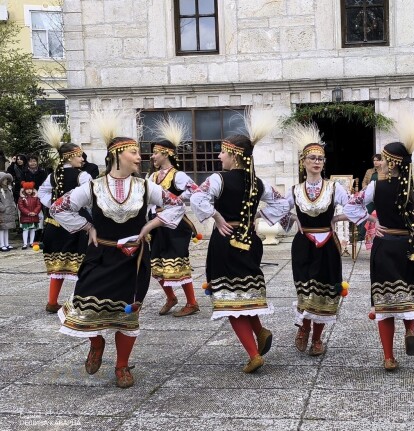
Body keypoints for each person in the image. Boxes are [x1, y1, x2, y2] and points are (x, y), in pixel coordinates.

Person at [51, 108, 185, 388]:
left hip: (133, 259)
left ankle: (122, 366)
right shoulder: (94, 186)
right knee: (86, 305)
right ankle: (96, 342)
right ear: (117, 155)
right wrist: (87, 227)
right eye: (134, 152)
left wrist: (149, 227)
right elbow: (59, 207)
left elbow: (176, 204)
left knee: (128, 313)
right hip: (100, 255)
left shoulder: (146, 187)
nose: (139, 157)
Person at [344, 114, 414, 371]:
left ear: (392, 163)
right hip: (410, 246)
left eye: (382, 158)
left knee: (385, 303)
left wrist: (370, 220)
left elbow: (350, 206)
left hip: (385, 244)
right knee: (410, 293)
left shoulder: (375, 187)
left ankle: (389, 357)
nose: (379, 162)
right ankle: (410, 331)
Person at [190, 108, 289, 374]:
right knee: (244, 293)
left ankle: (253, 355)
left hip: (226, 241)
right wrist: (257, 216)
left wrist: (216, 216)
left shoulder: (218, 179)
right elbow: (283, 203)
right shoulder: (258, 182)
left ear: (234, 155)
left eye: (222, 152)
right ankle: (260, 330)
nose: (219, 156)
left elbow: (197, 198)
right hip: (250, 241)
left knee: (230, 302)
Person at [262, 123, 350, 357]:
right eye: (312, 158)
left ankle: (318, 338)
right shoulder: (295, 190)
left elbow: (354, 207)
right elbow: (279, 210)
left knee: (324, 292)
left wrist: (337, 217)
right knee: (305, 290)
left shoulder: (334, 188)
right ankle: (304, 328)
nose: (316, 162)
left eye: (320, 158)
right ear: (303, 162)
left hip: (327, 245)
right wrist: (294, 219)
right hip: (303, 245)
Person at [36, 118, 92, 313]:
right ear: (69, 157)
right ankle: (79, 302)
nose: (82, 159)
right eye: (79, 156)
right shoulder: (82, 176)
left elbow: (41, 193)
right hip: (76, 224)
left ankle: (52, 302)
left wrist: (54, 205)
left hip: (54, 224)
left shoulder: (52, 176)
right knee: (81, 264)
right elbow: (90, 197)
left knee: (58, 266)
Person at [148, 117, 201, 318]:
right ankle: (171, 297)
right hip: (156, 225)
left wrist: (176, 199)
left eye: (155, 153)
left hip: (175, 226)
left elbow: (195, 190)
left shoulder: (178, 175)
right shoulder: (153, 177)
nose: (152, 156)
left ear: (166, 153)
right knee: (156, 264)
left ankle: (192, 302)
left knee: (177, 262)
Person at [358, 154, 383, 241]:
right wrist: (365, 187)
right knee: (366, 213)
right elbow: (364, 182)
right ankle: (361, 235)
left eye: (377, 160)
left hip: (380, 196)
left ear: (381, 161)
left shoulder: (384, 171)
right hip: (370, 196)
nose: (375, 162)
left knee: (382, 215)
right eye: (374, 160)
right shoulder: (369, 171)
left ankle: (380, 234)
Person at [17, 181, 41, 249]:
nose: (29, 191)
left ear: (33, 189)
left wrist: (35, 212)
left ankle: (31, 242)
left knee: (32, 229)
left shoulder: (36, 197)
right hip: (25, 217)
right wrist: (28, 212)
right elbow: (21, 206)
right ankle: (25, 243)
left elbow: (38, 205)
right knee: (25, 230)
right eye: (27, 189)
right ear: (24, 190)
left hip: (34, 216)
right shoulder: (22, 197)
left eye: (30, 189)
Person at [0, 172, 16, 251]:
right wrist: (2, 208)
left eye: (7, 179)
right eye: (4, 179)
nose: (6, 181)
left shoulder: (9, 189)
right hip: (2, 213)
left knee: (7, 228)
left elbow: (12, 199)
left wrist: (13, 206)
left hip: (9, 212)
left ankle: (6, 243)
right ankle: (1, 244)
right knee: (2, 229)